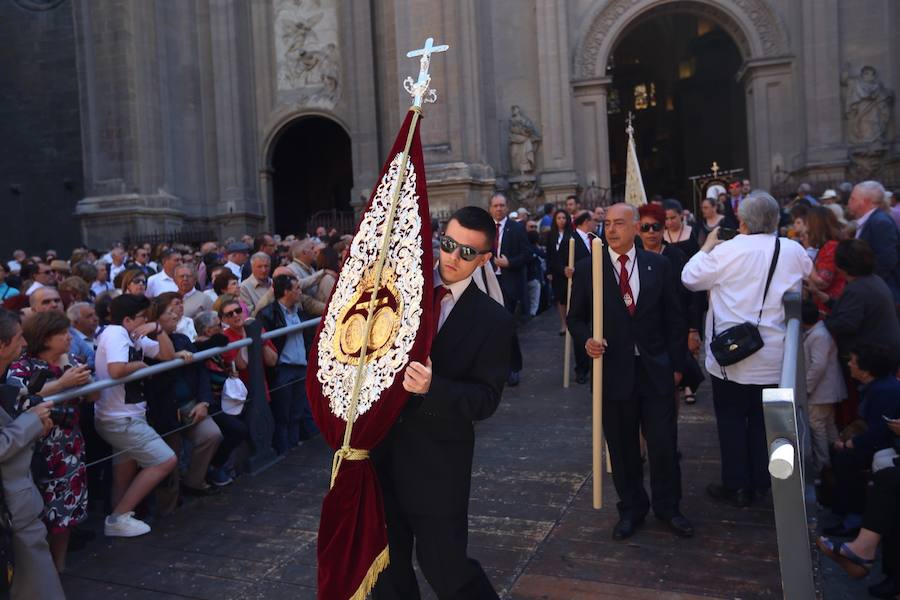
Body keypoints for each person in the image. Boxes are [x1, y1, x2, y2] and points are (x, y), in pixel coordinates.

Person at [373, 206, 514, 600]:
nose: (452, 258)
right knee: (387, 568)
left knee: (446, 567)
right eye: (448, 245)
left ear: (485, 258)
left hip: (439, 465)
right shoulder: (401, 291)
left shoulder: (494, 321)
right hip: (380, 453)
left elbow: (486, 399)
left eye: (467, 253)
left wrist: (434, 388)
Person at [567, 203, 693, 541]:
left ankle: (669, 508)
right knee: (622, 448)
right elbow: (575, 318)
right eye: (606, 224)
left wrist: (677, 367)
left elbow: (675, 319)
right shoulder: (588, 268)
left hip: (655, 370)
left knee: (663, 444)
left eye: (619, 223)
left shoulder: (659, 265)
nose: (611, 230)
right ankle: (632, 509)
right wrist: (586, 341)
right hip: (613, 372)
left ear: (636, 227)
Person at [682, 191, 813, 507]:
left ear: (741, 222)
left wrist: (707, 245)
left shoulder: (727, 251)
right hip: (773, 356)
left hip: (733, 357)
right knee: (761, 423)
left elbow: (689, 278)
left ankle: (737, 485)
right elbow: (809, 274)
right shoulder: (792, 249)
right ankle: (761, 482)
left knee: (730, 421)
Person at [8, 311, 93, 573]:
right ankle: (38, 571)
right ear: (44, 338)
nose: (69, 338)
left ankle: (59, 566)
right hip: (36, 446)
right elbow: (19, 398)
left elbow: (93, 398)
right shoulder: (22, 366)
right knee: (37, 512)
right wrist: (62, 384)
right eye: (62, 334)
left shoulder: (73, 360)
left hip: (69, 446)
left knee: (65, 512)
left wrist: (86, 383)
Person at [93, 294, 177, 537]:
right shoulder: (116, 333)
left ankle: (118, 516)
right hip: (119, 418)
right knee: (165, 460)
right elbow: (116, 369)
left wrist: (158, 329)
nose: (146, 321)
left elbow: (167, 355)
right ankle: (118, 518)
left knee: (123, 472)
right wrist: (139, 366)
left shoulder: (129, 334)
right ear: (128, 319)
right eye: (143, 317)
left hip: (126, 415)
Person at [0, 308, 65, 599]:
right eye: (18, 338)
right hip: (11, 513)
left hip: (18, 507)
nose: (24, 344)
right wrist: (32, 420)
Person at [144, 294, 223, 513]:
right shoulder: (147, 345)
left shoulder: (182, 339)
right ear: (155, 319)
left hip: (191, 403)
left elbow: (201, 372)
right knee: (170, 455)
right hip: (165, 411)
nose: (175, 316)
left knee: (211, 434)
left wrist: (204, 402)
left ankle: (194, 481)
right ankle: (167, 506)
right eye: (168, 313)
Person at [824, 344, 900, 540]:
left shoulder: (883, 390)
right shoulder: (879, 386)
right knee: (841, 454)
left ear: (866, 370)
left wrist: (852, 443)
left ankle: (854, 517)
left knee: (847, 459)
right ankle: (843, 509)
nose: (849, 364)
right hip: (881, 440)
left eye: (853, 362)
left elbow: (881, 429)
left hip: (886, 444)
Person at [637, 203, 704, 404]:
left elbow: (692, 294)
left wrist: (693, 330)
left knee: (672, 384)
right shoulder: (633, 258)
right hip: (645, 334)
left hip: (674, 331)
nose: (650, 232)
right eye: (645, 227)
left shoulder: (676, 257)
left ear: (663, 228)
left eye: (655, 227)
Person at [256, 275, 318, 454]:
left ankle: (296, 446)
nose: (300, 292)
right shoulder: (268, 314)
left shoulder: (299, 311)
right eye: (297, 288)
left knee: (297, 411)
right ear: (286, 291)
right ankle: (284, 451)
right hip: (283, 369)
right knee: (283, 413)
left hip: (301, 365)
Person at [193, 310, 248, 487]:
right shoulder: (200, 347)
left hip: (220, 399)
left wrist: (228, 374)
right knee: (237, 430)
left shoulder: (211, 345)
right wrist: (226, 378)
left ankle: (217, 468)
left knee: (235, 430)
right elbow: (210, 373)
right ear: (208, 331)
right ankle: (212, 468)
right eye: (218, 325)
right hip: (210, 401)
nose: (222, 328)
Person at [800, 299, 844, 479]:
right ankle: (837, 462)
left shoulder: (819, 335)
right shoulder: (819, 332)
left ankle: (823, 468)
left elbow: (818, 366)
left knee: (818, 429)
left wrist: (807, 388)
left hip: (820, 393)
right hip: (825, 392)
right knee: (829, 428)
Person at [488, 192, 528, 386]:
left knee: (508, 326)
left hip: (508, 284)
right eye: (495, 205)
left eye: (502, 205)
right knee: (492, 329)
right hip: (488, 284)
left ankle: (513, 367)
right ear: (490, 208)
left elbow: (526, 255)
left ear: (507, 207)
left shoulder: (516, 228)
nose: (499, 209)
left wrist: (509, 263)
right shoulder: (486, 230)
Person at [848, 181, 900, 302]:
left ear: (864, 202)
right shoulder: (871, 220)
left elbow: (886, 261)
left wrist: (864, 283)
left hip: (882, 294)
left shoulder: (880, 222)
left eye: (853, 198)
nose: (849, 202)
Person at [566, 210, 598, 384]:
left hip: (598, 286)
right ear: (586, 221)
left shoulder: (598, 238)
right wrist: (565, 269)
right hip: (580, 288)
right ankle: (582, 368)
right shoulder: (569, 239)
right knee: (581, 328)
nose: (596, 224)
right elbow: (557, 260)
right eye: (594, 220)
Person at [805, 205, 846, 315]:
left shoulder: (831, 247)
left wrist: (804, 258)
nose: (806, 229)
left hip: (830, 309)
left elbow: (822, 282)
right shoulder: (828, 245)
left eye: (808, 223)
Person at [544, 209, 573, 336]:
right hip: (556, 271)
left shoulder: (572, 234)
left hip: (569, 270)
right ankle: (563, 323)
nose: (561, 220)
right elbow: (549, 254)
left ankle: (572, 322)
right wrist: (549, 271)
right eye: (558, 218)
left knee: (570, 297)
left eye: (563, 218)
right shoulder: (551, 235)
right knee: (560, 299)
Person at [67, 302, 98, 370]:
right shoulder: (70, 341)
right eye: (89, 316)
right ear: (75, 322)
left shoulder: (103, 332)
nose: (95, 319)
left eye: (95, 314)